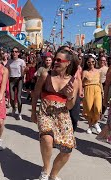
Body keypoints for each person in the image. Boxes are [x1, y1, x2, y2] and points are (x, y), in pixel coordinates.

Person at [31, 50, 78, 180]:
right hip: (45, 112)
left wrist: (69, 96)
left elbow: (70, 106)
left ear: (68, 63)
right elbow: (35, 94)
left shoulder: (74, 81)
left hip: (62, 115)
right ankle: (45, 170)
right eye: (55, 59)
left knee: (67, 149)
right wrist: (33, 112)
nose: (55, 62)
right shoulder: (46, 75)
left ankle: (53, 174)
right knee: (47, 139)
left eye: (59, 60)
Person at [82, 56, 103, 134]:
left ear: (95, 62)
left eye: (93, 62)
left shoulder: (98, 71)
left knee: (97, 107)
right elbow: (81, 82)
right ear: (86, 63)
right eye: (89, 62)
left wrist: (102, 91)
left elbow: (100, 82)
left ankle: (95, 122)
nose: (91, 63)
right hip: (88, 89)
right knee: (89, 108)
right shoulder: (85, 72)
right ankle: (91, 125)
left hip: (97, 89)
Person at [7, 47, 26, 120]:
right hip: (11, 79)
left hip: (19, 79)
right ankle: (14, 108)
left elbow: (23, 71)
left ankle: (19, 113)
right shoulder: (9, 61)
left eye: (16, 51)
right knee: (11, 98)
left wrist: (24, 76)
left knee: (18, 97)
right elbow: (7, 70)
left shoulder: (21, 61)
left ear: (18, 53)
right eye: (13, 51)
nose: (14, 53)